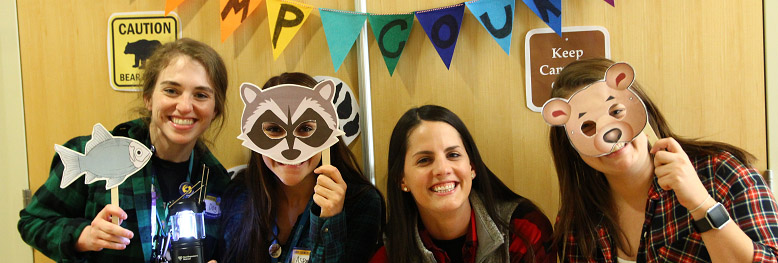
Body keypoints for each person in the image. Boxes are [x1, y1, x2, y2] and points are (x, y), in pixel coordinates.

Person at [18, 38, 231, 262]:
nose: (185, 106)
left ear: (215, 109)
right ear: (148, 98)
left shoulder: (217, 181)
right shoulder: (94, 155)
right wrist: (85, 236)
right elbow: (32, 221)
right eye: (171, 90)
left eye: (200, 95)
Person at [548, 58, 778, 262]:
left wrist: (701, 204)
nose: (609, 134)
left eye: (616, 112)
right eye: (587, 127)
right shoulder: (577, 220)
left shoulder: (721, 174)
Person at [216, 72, 384, 263]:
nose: (290, 147)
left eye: (305, 129)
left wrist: (329, 222)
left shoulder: (361, 202)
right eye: (273, 129)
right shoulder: (240, 196)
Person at [371, 105, 555, 263]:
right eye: (424, 160)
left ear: (472, 167)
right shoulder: (389, 254)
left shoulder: (524, 230)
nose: (442, 169)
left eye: (453, 155)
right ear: (401, 179)